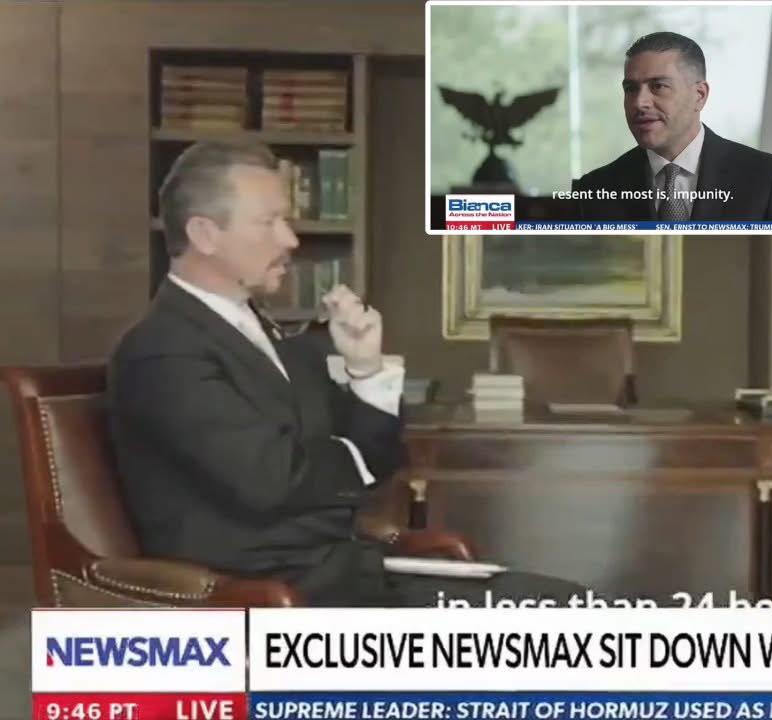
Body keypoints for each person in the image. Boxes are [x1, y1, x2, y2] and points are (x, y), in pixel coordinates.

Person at [108, 141, 586, 606]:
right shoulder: (162, 351)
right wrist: (350, 458)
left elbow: (380, 460)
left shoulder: (281, 341)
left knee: (582, 607)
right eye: (269, 222)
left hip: (352, 574)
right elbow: (273, 482)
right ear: (205, 235)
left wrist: (365, 367)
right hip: (284, 598)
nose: (291, 240)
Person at [572, 31, 772, 223]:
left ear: (699, 95)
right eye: (631, 89)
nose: (639, 102)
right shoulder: (593, 191)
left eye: (658, 86)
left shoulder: (767, 178)